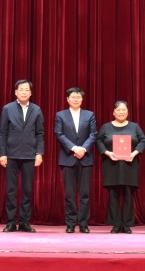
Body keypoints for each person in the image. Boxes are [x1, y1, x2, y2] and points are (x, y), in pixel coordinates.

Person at [0, 79, 44, 233]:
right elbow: (3, 133)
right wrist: (2, 154)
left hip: (30, 155)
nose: (24, 92)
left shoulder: (36, 109)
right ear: (16, 92)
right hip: (11, 154)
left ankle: (24, 222)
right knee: (11, 190)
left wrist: (39, 153)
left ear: (30, 93)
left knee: (27, 190)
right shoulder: (7, 108)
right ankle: (11, 222)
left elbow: (40, 133)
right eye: (21, 89)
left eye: (27, 90)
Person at [95, 101, 145, 234]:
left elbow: (143, 141)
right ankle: (116, 224)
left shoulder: (134, 126)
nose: (121, 112)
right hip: (111, 165)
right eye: (118, 110)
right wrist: (107, 153)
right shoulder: (106, 127)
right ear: (113, 112)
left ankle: (127, 225)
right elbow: (99, 141)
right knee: (113, 196)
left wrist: (134, 153)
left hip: (130, 164)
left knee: (129, 195)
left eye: (124, 109)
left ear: (128, 112)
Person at [54, 87, 97, 234]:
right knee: (69, 194)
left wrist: (83, 149)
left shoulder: (89, 115)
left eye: (78, 97)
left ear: (82, 99)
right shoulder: (60, 115)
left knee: (85, 193)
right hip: (68, 157)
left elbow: (93, 134)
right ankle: (71, 223)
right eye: (73, 97)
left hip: (86, 157)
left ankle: (84, 223)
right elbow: (59, 134)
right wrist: (74, 148)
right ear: (67, 99)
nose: (76, 99)